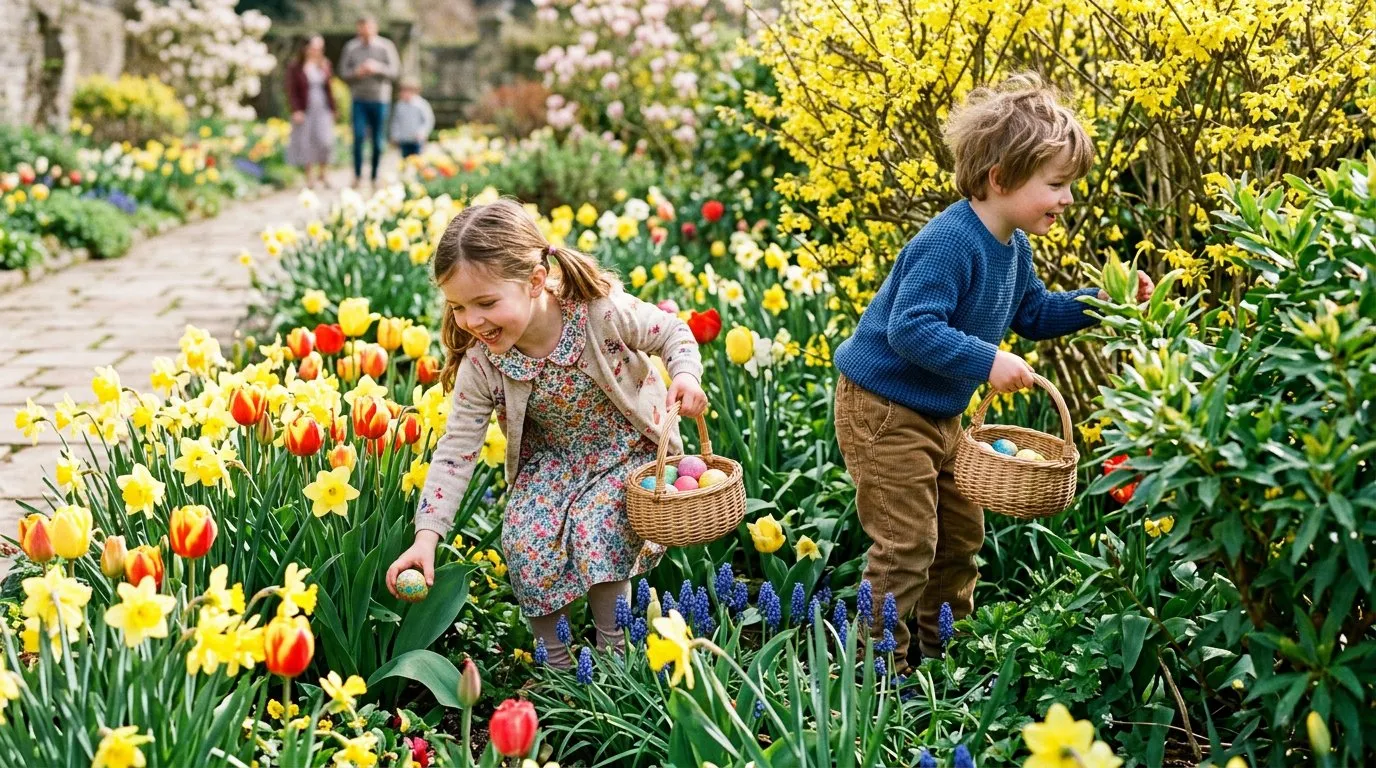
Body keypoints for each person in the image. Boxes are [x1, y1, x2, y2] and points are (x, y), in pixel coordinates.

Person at [831, 73, 1155, 674]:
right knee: (906, 545)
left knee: (959, 540)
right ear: (1000, 178)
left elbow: (1030, 313)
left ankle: (941, 653)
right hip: (883, 409)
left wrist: (1102, 302)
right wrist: (987, 360)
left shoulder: (1013, 245)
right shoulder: (950, 242)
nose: (1066, 200)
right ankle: (874, 674)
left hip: (939, 412)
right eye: (1055, 185)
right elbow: (910, 329)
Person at [385, 199, 709, 669]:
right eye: (458, 307)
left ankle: (615, 658)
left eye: (486, 303)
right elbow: (456, 452)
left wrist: (687, 376)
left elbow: (672, 332)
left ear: (535, 280)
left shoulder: (599, 313)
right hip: (553, 460)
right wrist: (425, 538)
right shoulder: (484, 363)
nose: (472, 321)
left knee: (598, 526)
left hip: (624, 448)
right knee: (522, 538)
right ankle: (557, 667)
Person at [338, 16, 399, 187]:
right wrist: (356, 72)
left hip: (380, 99)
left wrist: (377, 68)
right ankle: (357, 175)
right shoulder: (351, 47)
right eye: (361, 28)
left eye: (368, 28)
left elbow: (395, 72)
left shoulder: (386, 46)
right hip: (359, 99)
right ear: (358, 29)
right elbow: (343, 72)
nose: (364, 31)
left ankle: (374, 176)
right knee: (358, 137)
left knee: (378, 141)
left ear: (375, 28)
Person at [285, 35, 336, 188]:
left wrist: (333, 108)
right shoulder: (296, 66)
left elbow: (329, 89)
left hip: (322, 107)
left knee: (325, 141)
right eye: (314, 48)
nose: (317, 51)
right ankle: (310, 178)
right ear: (306, 48)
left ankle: (323, 173)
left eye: (320, 48)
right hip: (305, 108)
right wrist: (296, 110)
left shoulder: (325, 64)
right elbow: (291, 89)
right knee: (306, 141)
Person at [389, 80, 435, 160]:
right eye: (402, 91)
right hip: (404, 139)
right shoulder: (399, 106)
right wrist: (395, 135)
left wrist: (422, 133)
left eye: (406, 91)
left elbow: (428, 120)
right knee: (405, 161)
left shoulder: (421, 104)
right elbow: (396, 121)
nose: (403, 94)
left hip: (417, 140)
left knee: (418, 160)